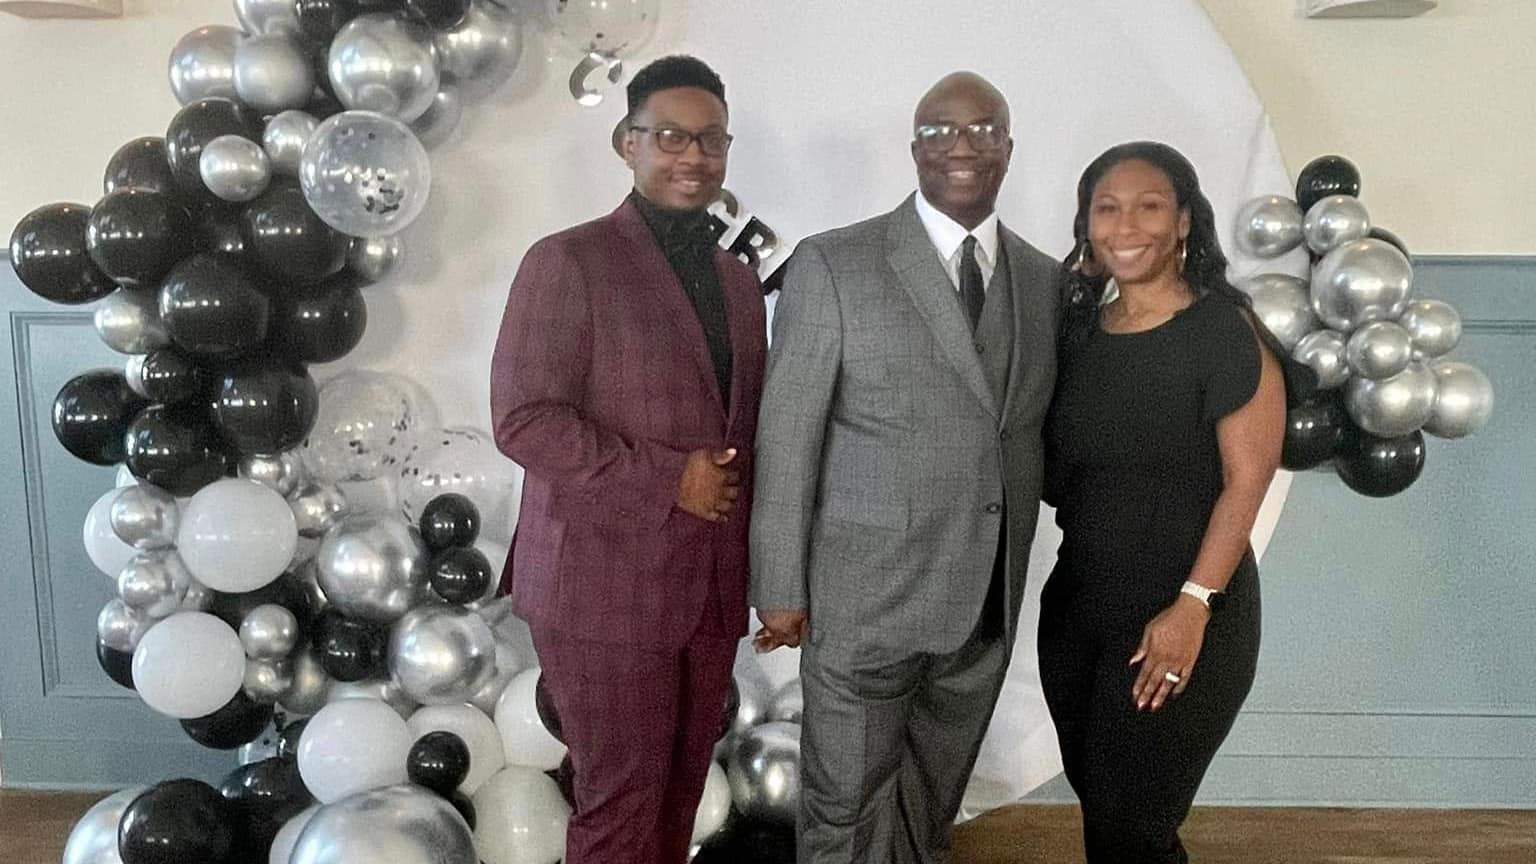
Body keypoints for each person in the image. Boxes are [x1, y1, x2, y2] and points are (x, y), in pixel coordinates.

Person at [749, 71, 1060, 862]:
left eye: (983, 130)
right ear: (915, 149)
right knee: (843, 808)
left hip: (981, 610)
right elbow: (787, 435)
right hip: (863, 603)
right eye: (940, 131)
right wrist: (780, 586)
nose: (962, 145)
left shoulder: (1043, 279)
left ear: (1008, 147)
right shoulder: (834, 264)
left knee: (930, 809)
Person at [489, 55, 766, 864]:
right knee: (620, 804)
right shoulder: (567, 261)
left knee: (680, 797)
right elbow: (524, 420)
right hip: (600, 589)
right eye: (671, 136)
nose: (694, 156)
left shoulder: (738, 283)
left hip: (709, 589)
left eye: (712, 140)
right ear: (628, 142)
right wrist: (670, 476)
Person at [1038, 141, 1286, 863]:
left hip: (1183, 614)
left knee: (1130, 827)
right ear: (1086, 223)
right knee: (1111, 818)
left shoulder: (1223, 331)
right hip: (1078, 611)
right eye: (1107, 209)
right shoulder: (1077, 335)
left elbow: (1247, 482)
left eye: (1148, 207)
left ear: (1183, 222)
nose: (1126, 226)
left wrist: (1192, 606)